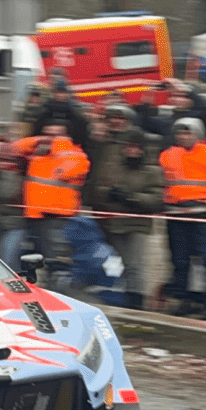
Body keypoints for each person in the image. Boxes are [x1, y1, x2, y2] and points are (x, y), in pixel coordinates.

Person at [159, 118, 206, 319]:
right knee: (180, 259)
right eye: (180, 133)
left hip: (204, 214)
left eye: (188, 133)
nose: (183, 137)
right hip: (176, 214)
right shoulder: (167, 155)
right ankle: (185, 300)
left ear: (197, 134)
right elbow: (160, 182)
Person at [86, 128, 164, 309]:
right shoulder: (113, 168)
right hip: (115, 223)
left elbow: (157, 199)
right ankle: (116, 294)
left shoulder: (152, 171)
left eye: (136, 148)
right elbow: (99, 189)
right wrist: (111, 193)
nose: (132, 151)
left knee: (134, 264)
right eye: (129, 147)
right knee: (117, 262)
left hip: (137, 224)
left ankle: (136, 300)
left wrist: (132, 198)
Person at [11, 131, 91, 262]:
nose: (51, 138)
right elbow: (15, 148)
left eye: (56, 134)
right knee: (34, 260)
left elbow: (63, 173)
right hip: (34, 216)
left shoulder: (78, 156)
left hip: (57, 218)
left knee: (54, 260)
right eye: (48, 134)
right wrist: (38, 140)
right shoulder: (38, 155)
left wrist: (58, 145)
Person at [32, 80, 89, 147]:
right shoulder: (47, 105)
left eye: (63, 92)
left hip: (67, 143)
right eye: (58, 92)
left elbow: (80, 124)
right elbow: (39, 123)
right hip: (47, 141)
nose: (60, 95)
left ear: (67, 94)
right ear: (54, 93)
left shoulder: (73, 108)